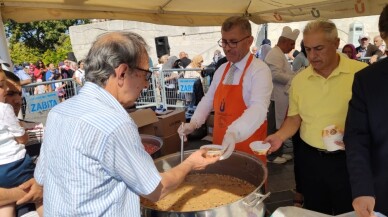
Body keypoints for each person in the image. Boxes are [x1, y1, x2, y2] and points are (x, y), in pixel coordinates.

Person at [34, 32, 219, 216]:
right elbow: (157, 189)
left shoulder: (59, 111)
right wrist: (191, 164)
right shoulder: (114, 122)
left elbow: (41, 178)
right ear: (122, 73)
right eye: (146, 75)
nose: (146, 85)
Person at [264, 19, 368, 215]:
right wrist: (278, 137)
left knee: (348, 210)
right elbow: (294, 119)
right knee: (314, 210)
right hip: (311, 159)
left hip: (349, 160)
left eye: (319, 48)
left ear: (336, 43)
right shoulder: (300, 80)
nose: (312, 55)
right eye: (308, 49)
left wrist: (356, 135)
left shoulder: (360, 74)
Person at [178, 16, 272, 160]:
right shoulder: (222, 69)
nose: (227, 48)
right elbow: (208, 99)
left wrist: (234, 133)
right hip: (219, 147)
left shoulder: (259, 70)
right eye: (224, 41)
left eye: (233, 42)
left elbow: (258, 108)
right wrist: (193, 123)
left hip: (247, 148)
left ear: (249, 41)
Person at [343, 4, 388, 217]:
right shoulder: (368, 80)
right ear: (384, 37)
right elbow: (357, 136)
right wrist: (362, 189)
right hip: (383, 192)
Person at [0, 68, 43, 217]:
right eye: (10, 93)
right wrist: (38, 189)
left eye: (19, 93)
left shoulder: (34, 128)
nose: (18, 100)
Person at [264, 26, 299, 164]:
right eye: (291, 44)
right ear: (284, 41)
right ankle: (271, 155)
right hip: (274, 97)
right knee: (273, 126)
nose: (293, 47)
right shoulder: (274, 54)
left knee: (280, 124)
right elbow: (275, 74)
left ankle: (278, 152)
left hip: (280, 96)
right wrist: (293, 78)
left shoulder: (279, 53)